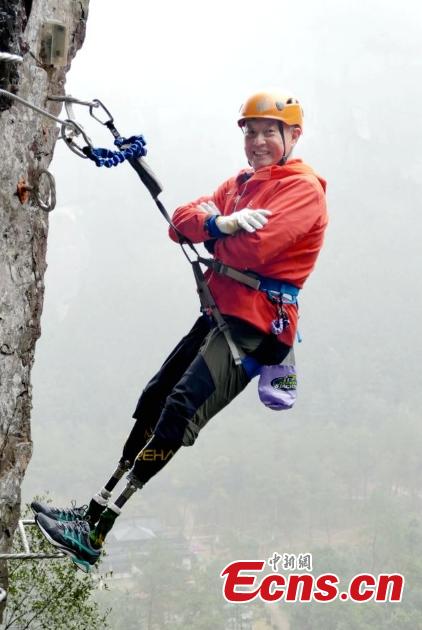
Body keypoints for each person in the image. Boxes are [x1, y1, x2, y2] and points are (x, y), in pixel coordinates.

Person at [32, 91, 328, 572]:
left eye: (268, 132)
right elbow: (180, 223)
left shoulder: (303, 190)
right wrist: (220, 221)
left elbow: (252, 252)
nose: (256, 142)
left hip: (255, 327)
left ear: (292, 136)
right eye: (250, 132)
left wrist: (216, 232)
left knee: (177, 412)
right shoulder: (241, 184)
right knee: (154, 399)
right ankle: (90, 511)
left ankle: (97, 530)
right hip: (220, 312)